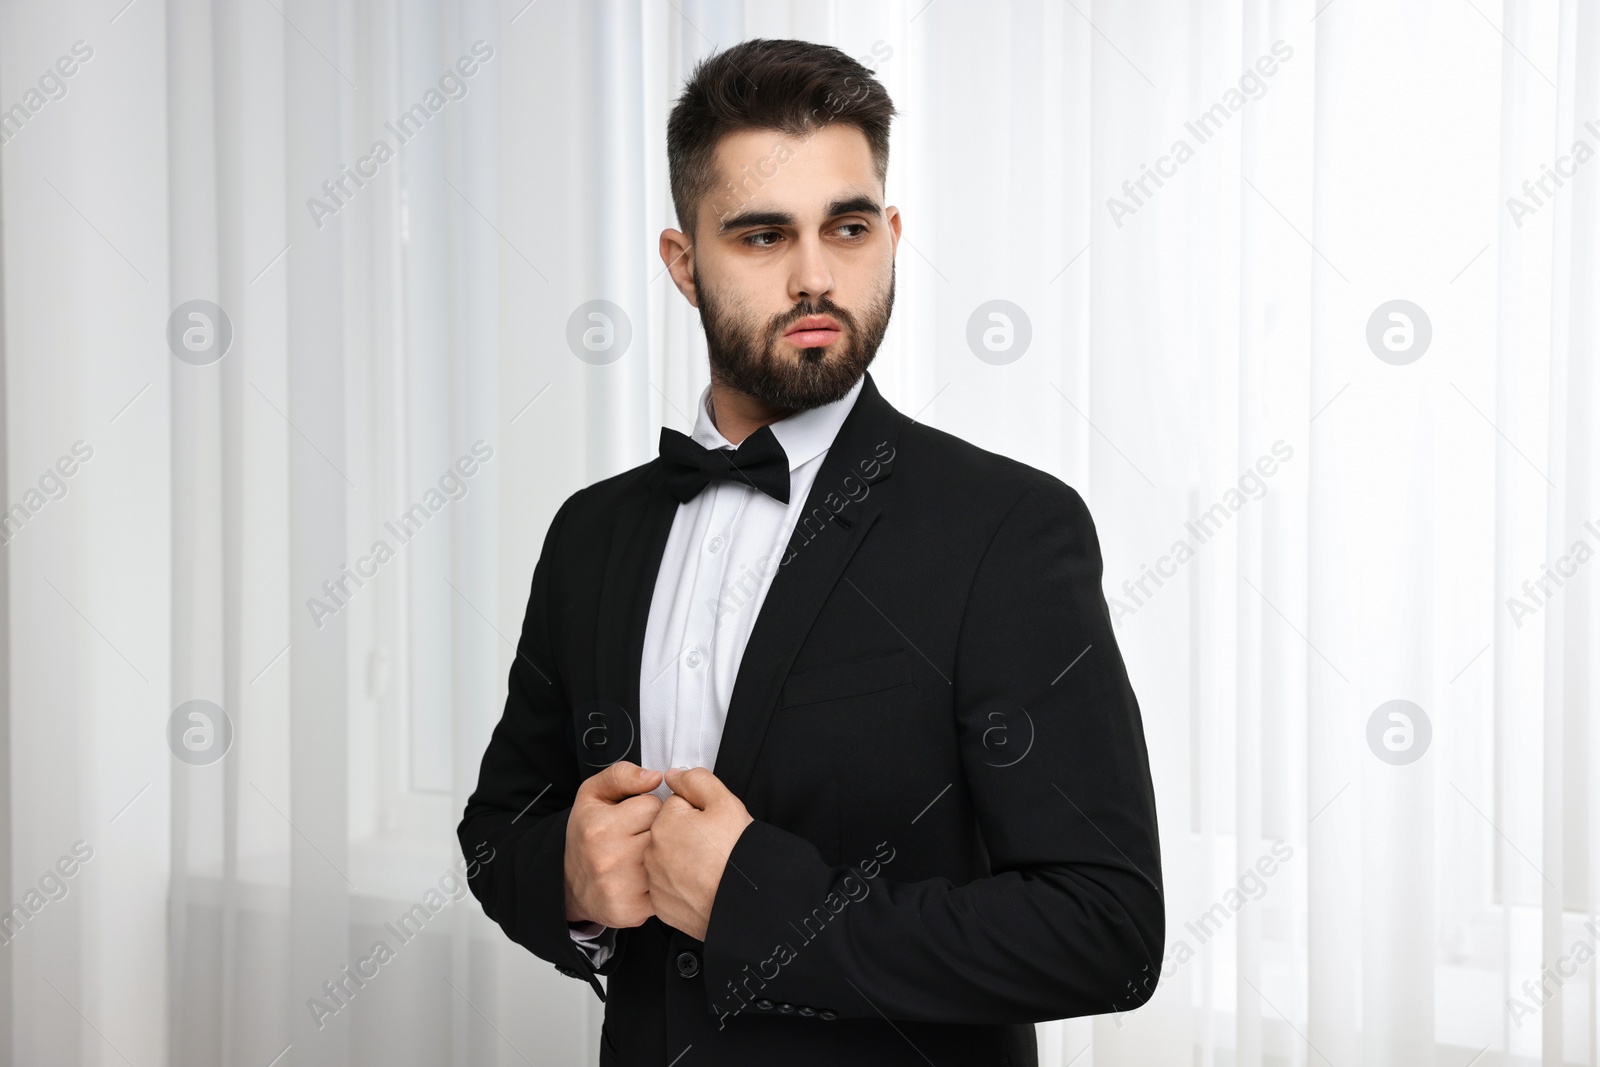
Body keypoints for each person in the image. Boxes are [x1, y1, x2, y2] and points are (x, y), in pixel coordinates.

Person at [459, 36, 1163, 1067]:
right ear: (682, 261)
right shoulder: (590, 533)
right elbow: (500, 823)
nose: (814, 276)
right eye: (759, 236)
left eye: (847, 226)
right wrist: (563, 877)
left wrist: (755, 901)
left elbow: (1104, 927)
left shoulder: (1008, 530)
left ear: (890, 232)